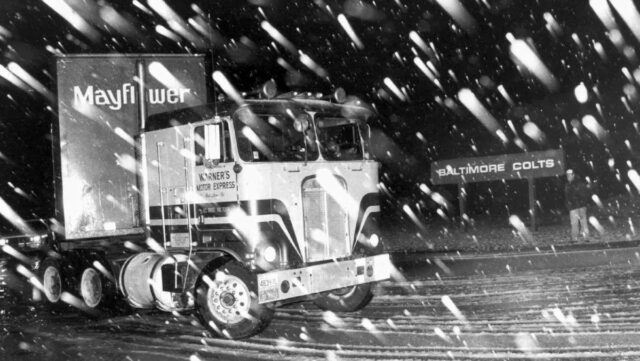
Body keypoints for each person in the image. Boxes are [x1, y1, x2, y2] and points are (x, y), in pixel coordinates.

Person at [564, 169, 591, 242]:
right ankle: (586, 237)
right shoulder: (580, 183)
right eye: (567, 175)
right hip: (581, 206)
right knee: (583, 222)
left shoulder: (569, 185)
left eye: (569, 175)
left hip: (574, 207)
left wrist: (570, 204)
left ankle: (575, 238)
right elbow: (586, 193)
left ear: (573, 175)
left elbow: (569, 196)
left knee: (575, 223)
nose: (568, 176)